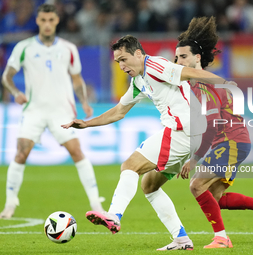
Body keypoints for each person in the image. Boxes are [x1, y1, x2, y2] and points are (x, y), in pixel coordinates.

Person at [62, 34, 235, 250]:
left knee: (130, 166)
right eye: (118, 62)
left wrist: (223, 84)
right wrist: (87, 124)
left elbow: (190, 72)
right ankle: (181, 239)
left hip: (182, 129)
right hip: (188, 134)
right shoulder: (138, 81)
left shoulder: (155, 66)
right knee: (149, 185)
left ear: (138, 53)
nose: (121, 65)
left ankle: (114, 215)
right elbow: (118, 112)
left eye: (124, 59)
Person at [175, 16, 253, 248]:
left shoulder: (202, 84)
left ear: (197, 57)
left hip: (230, 142)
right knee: (214, 197)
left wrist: (194, 159)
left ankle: (222, 238)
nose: (178, 61)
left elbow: (213, 123)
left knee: (196, 185)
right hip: (232, 142)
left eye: (183, 56)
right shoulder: (199, 83)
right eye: (176, 58)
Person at [0, 4, 104, 219]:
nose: (47, 24)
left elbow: (77, 79)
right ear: (37, 21)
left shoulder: (68, 48)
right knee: (21, 154)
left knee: (77, 152)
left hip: (61, 112)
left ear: (57, 21)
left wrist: (84, 102)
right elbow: (6, 77)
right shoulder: (24, 47)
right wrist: (15, 92)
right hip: (34, 111)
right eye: (43, 20)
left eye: (51, 20)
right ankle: (10, 204)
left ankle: (96, 203)